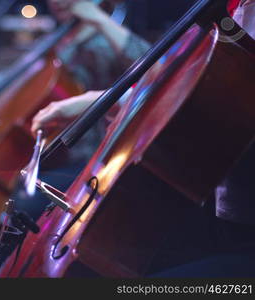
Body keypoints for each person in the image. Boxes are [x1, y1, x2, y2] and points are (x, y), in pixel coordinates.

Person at [32, 0, 255, 277]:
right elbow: (177, 75)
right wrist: (113, 99)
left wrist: (117, 98)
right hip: (215, 205)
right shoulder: (232, 9)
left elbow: (214, 99)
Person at [0, 0, 151, 218]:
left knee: (14, 208)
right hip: (43, 154)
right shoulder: (61, 37)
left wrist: (98, 18)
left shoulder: (104, 39)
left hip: (80, 160)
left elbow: (154, 66)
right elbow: (22, 78)